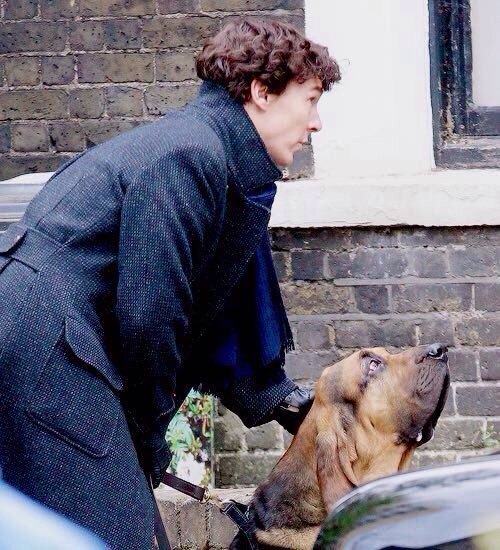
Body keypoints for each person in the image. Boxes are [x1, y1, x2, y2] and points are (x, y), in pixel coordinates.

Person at [0, 18, 340, 549]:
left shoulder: (211, 153)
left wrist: (277, 400)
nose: (315, 123)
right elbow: (151, 317)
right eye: (311, 100)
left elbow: (205, 314)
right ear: (261, 92)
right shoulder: (190, 155)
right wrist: (150, 433)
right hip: (49, 352)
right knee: (119, 535)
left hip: (46, 344)